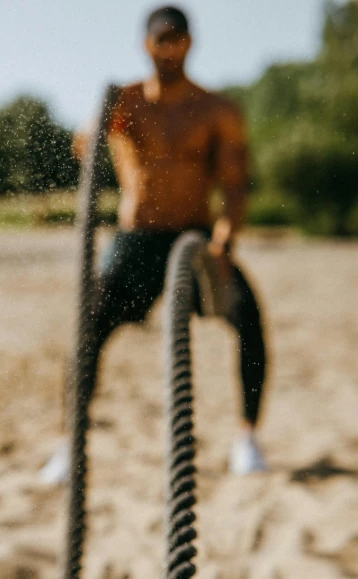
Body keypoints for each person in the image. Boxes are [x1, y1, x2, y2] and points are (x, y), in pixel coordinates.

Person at [41, 5, 267, 484]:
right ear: (146, 44)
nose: (169, 48)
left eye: (177, 38)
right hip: (136, 239)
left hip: (196, 238)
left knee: (248, 320)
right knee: (89, 329)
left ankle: (246, 438)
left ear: (191, 42)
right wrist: (100, 120)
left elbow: (235, 182)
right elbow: (84, 147)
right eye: (161, 39)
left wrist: (226, 237)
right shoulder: (125, 102)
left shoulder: (216, 110)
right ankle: (68, 444)